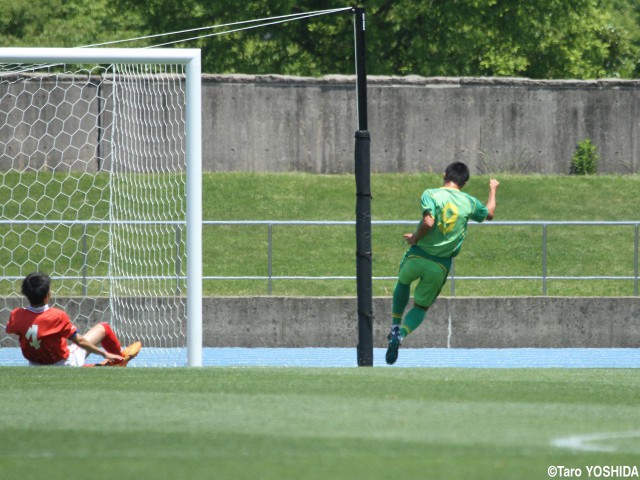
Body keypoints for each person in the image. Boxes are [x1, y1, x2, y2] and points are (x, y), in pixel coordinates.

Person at [386, 162, 499, 365]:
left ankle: (394, 326)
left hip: (418, 255)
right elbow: (489, 214)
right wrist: (492, 189)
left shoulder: (431, 194)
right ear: (464, 183)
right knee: (420, 307)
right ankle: (401, 335)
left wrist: (414, 238)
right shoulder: (469, 202)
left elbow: (428, 222)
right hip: (439, 265)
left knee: (403, 282)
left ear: (444, 174)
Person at [6, 272, 141, 367]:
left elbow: (16, 329)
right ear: (47, 295)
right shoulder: (57, 315)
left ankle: (106, 364)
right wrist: (104, 354)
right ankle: (118, 360)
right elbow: (80, 341)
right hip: (63, 363)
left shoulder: (16, 315)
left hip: (34, 365)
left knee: (65, 347)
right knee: (103, 327)